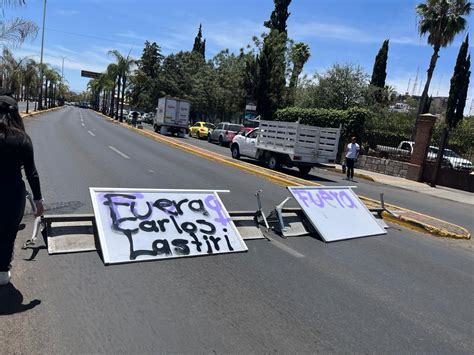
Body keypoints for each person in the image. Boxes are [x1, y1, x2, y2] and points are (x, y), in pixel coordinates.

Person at [0, 94, 43, 286]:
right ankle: (2, 272)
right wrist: (38, 201)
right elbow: (31, 173)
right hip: (12, 195)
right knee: (8, 234)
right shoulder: (22, 139)